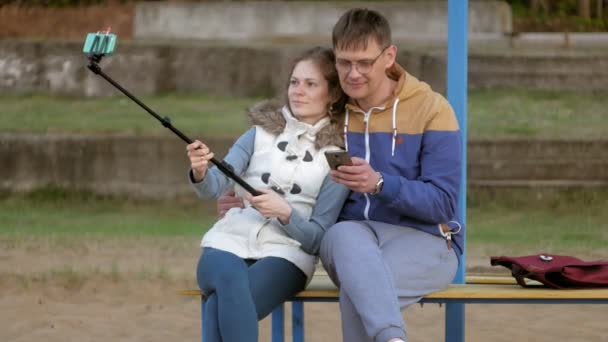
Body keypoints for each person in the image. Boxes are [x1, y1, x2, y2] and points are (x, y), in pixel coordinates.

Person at [217, 8, 464, 342]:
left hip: (426, 242)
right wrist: (243, 198)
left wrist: (380, 184)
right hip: (348, 241)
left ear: (389, 56)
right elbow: (279, 157)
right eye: (344, 62)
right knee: (346, 239)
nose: (353, 73)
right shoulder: (331, 109)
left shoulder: (431, 109)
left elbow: (444, 204)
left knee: (360, 287)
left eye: (364, 63)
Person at [186, 47, 350, 342]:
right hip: (227, 241)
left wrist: (285, 213)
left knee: (217, 305)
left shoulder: (338, 157)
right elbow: (215, 185)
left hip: (286, 254)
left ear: (333, 94)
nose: (298, 92)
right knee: (229, 275)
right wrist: (200, 171)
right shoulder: (257, 134)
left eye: (310, 84)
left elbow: (318, 239)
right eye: (294, 82)